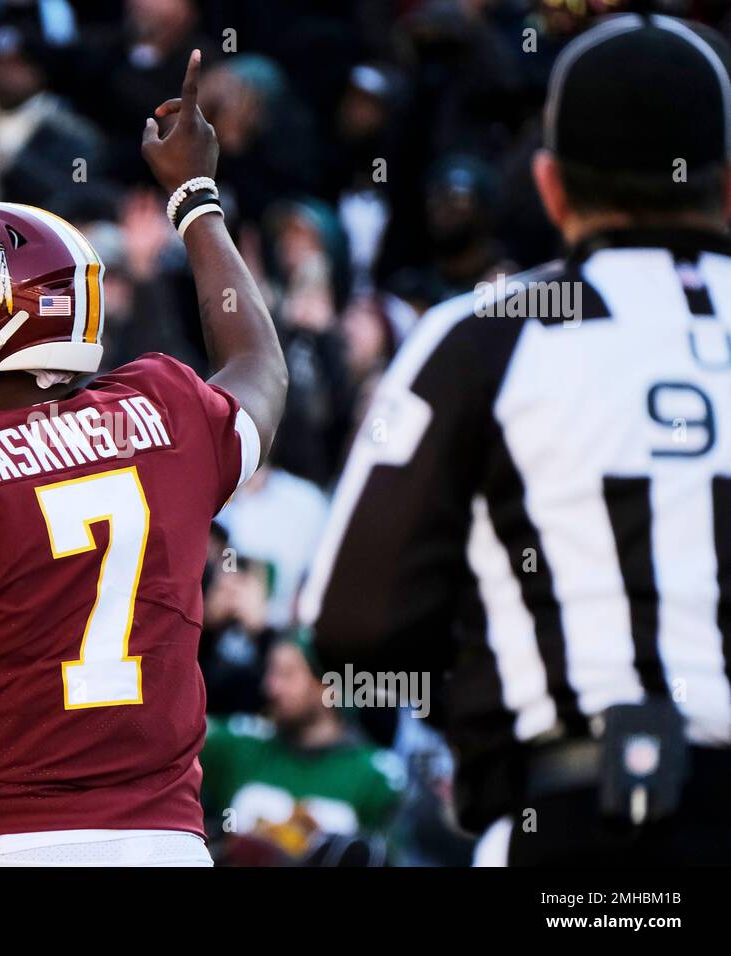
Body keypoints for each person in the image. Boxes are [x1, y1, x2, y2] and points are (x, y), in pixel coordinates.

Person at [0, 50, 286, 867]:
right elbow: (259, 367)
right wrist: (195, 198)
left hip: (3, 845)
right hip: (169, 851)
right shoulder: (163, 414)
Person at [302, 13, 731, 865]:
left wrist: (497, 708)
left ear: (550, 189)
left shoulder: (484, 337)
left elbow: (348, 622)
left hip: (580, 813)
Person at [198, 636, 403, 866]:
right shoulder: (239, 744)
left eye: (287, 674)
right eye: (271, 673)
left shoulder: (377, 776)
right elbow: (173, 730)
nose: (271, 687)